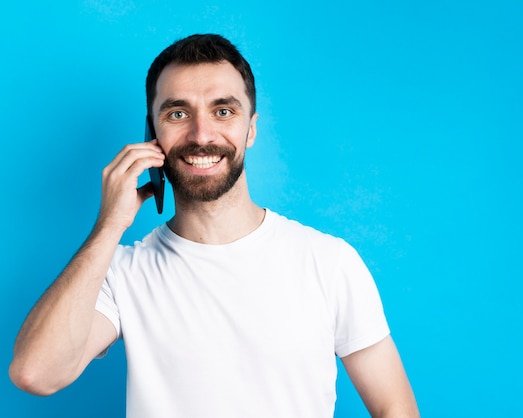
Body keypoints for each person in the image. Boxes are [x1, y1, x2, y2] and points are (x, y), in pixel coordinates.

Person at [9, 34, 419, 418]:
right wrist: (109, 226)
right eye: (177, 113)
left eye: (223, 111)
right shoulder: (120, 272)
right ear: (152, 135)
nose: (201, 134)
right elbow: (36, 374)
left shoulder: (329, 261)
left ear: (251, 129)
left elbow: (395, 409)